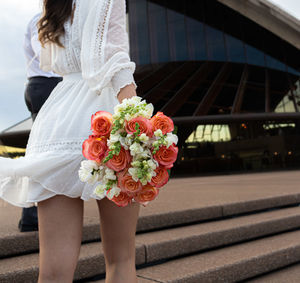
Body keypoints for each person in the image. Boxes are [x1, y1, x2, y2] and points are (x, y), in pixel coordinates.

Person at [0, 0, 139, 282]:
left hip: (58, 121)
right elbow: (114, 58)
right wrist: (139, 122)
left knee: (53, 273)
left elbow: (49, 61)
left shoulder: (53, 3)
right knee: (121, 260)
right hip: (105, 113)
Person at [19, 13, 63, 232]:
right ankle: (31, 213)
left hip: (41, 86)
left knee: (42, 149)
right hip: (46, 85)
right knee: (44, 150)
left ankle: (33, 212)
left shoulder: (39, 19)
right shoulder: (41, 20)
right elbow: (47, 58)